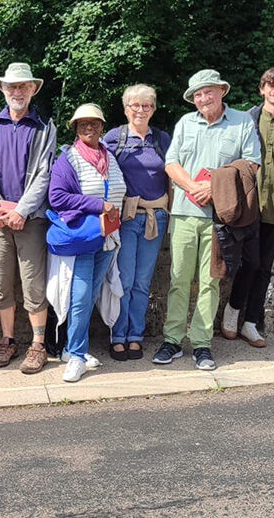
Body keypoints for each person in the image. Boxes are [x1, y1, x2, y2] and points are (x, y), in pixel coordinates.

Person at [153, 70, 260, 371]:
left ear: (221, 91)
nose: (203, 98)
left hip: (221, 216)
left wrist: (213, 187)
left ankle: (201, 343)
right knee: (178, 280)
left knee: (211, 281)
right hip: (185, 213)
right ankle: (172, 340)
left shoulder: (241, 122)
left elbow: (252, 164)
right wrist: (193, 187)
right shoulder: (186, 123)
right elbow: (171, 163)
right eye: (197, 95)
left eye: (208, 92)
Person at [0, 62, 57, 374]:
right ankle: (7, 340)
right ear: (3, 89)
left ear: (33, 89)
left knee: (34, 285)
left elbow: (44, 175)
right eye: (12, 86)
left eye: (23, 86)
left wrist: (22, 210)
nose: (17, 91)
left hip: (30, 219)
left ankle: (38, 345)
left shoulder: (44, 127)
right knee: (1, 283)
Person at [221, 68, 274, 347]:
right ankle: (232, 313)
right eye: (271, 85)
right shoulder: (246, 120)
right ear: (262, 90)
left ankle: (251, 323)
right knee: (249, 263)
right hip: (248, 204)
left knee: (265, 267)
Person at [49, 104, 126, 382]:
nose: (89, 128)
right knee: (80, 298)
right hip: (85, 237)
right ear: (76, 129)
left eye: (94, 123)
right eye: (83, 124)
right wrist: (98, 204)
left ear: (102, 126)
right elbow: (57, 197)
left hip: (109, 237)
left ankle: (71, 349)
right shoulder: (68, 159)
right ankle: (77, 357)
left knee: (90, 294)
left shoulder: (110, 156)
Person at [102, 85, 171, 362]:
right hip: (126, 218)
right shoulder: (114, 138)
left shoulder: (162, 139)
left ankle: (136, 336)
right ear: (125, 108)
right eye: (134, 105)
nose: (140, 110)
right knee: (124, 279)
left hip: (157, 217)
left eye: (146, 105)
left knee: (143, 282)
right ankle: (118, 335)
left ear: (153, 109)